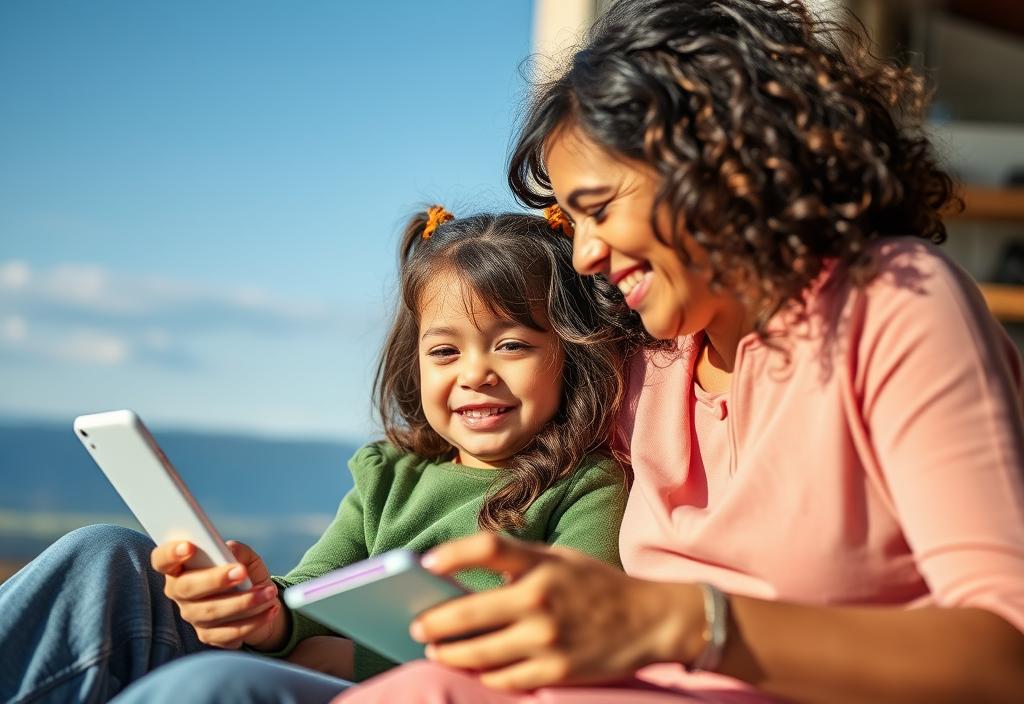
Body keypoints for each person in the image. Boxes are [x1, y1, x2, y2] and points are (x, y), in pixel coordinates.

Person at [329, 0, 1024, 702]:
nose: (586, 252)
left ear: (724, 166)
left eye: (599, 209)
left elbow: (1009, 651)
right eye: (573, 220)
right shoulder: (643, 362)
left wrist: (684, 622)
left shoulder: (893, 308)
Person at [0, 207, 634, 703]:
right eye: (445, 352)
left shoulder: (587, 486)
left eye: (512, 346)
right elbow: (311, 594)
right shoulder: (389, 475)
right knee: (104, 551)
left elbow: (565, 640)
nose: (475, 374)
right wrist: (260, 606)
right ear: (413, 364)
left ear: (570, 354)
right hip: (317, 676)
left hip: (415, 693)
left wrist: (359, 661)